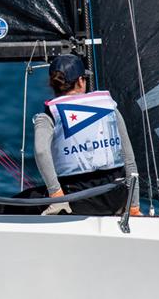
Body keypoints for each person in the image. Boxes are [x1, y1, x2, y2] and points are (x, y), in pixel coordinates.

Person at [33, 54, 140, 216]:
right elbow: (129, 161)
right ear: (81, 81)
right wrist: (133, 207)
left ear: (52, 84)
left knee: (4, 209)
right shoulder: (110, 108)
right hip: (115, 198)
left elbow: (41, 152)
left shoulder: (48, 116)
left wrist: (56, 195)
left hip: (76, 201)